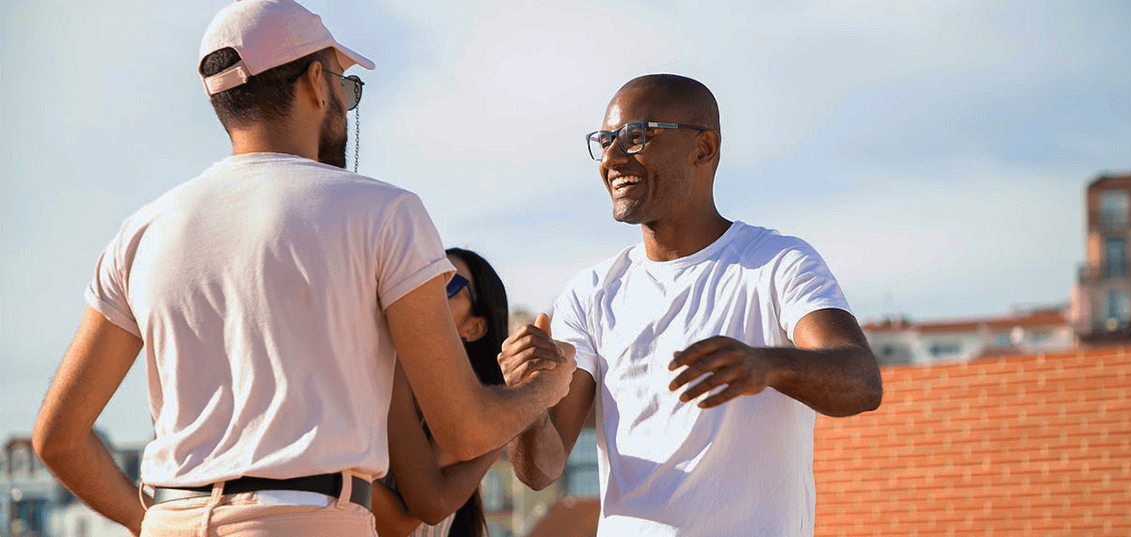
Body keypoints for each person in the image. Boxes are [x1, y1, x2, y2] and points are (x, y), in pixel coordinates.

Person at [31, 2, 573, 536]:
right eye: (345, 86)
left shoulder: (141, 232)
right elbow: (464, 425)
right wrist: (548, 389)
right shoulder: (385, 213)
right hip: (305, 520)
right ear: (316, 82)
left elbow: (58, 438)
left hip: (173, 518)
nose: (344, 101)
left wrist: (146, 521)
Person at [499, 74, 883, 537]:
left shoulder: (777, 263)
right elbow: (541, 470)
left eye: (635, 137)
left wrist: (766, 365)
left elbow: (861, 380)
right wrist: (524, 401)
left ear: (704, 148)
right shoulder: (590, 293)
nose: (611, 158)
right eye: (604, 142)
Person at [372, 248, 509, 537]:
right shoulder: (373, 378)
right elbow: (423, 507)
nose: (426, 290)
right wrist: (499, 437)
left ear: (473, 328)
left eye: (448, 285)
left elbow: (414, 513)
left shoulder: (466, 416)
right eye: (423, 278)